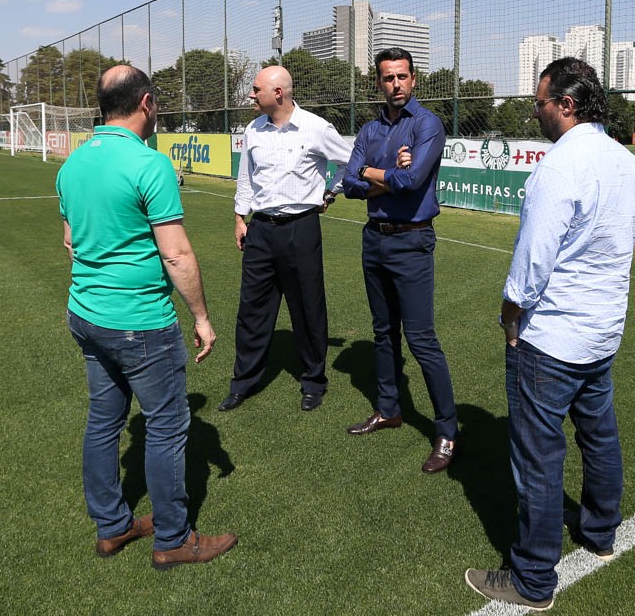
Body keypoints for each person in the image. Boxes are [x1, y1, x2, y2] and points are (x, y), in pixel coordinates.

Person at [464, 57, 635, 610]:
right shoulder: (627, 163)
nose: (536, 113)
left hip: (552, 338)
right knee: (599, 435)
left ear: (566, 105)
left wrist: (509, 314)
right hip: (602, 332)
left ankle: (532, 579)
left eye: (539, 103)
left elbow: (532, 261)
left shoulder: (560, 167)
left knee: (539, 458)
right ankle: (599, 533)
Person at [58, 65, 237, 570]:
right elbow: (177, 256)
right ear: (147, 103)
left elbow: (71, 243)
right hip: (138, 320)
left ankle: (112, 527)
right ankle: (174, 539)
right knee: (165, 426)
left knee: (103, 422)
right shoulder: (149, 163)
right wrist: (201, 316)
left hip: (86, 314)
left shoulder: (72, 164)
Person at [342, 47, 458, 474]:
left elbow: (411, 182)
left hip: (411, 242)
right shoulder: (370, 128)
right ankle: (389, 409)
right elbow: (347, 182)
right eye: (388, 78)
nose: (396, 84)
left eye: (402, 77)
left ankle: (447, 431)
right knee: (383, 332)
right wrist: (386, 173)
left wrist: (373, 172)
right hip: (374, 239)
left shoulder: (428, 124)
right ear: (378, 82)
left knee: (421, 339)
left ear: (413, 80)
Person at [217, 66, 351, 414]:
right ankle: (243, 382)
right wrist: (239, 218)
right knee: (252, 309)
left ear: (278, 93)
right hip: (260, 230)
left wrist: (330, 191)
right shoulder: (253, 129)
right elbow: (246, 178)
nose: (251, 95)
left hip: (301, 228)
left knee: (307, 307)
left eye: (256, 89)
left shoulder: (316, 128)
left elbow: (352, 162)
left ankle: (313, 381)